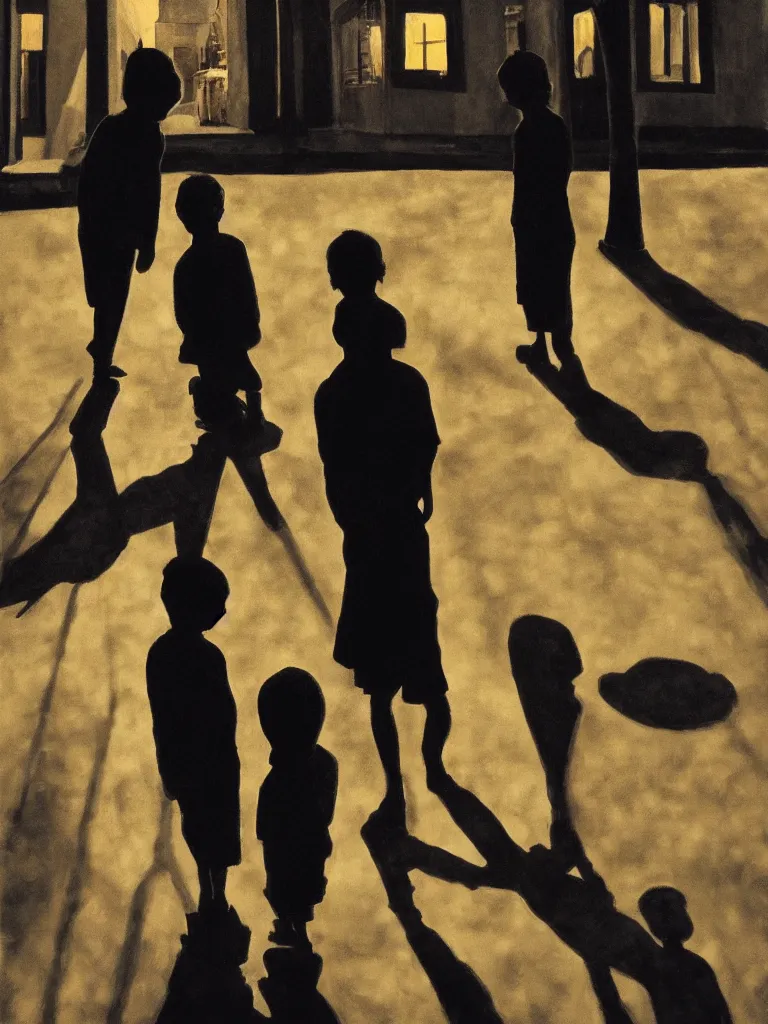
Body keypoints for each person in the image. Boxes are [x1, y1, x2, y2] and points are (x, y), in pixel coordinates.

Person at [315, 230, 452, 831]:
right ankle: (435, 766)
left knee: (377, 687)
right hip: (404, 534)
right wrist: (420, 491)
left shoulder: (332, 395)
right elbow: (426, 445)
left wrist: (352, 518)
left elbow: (335, 474)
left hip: (366, 547)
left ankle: (395, 789)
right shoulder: (410, 384)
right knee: (428, 665)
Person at [146, 556, 241, 926]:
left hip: (198, 763)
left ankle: (212, 895)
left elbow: (163, 719)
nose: (221, 612)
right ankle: (212, 896)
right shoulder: (201, 656)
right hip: (209, 763)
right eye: (216, 604)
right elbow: (171, 715)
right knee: (209, 831)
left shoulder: (163, 653)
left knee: (205, 831)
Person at [77, 46, 181, 380]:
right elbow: (150, 192)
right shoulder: (150, 137)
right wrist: (147, 242)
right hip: (116, 229)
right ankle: (102, 350)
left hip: (102, 226)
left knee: (106, 293)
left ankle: (102, 351)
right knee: (112, 293)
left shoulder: (111, 127)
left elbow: (89, 180)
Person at [173, 174, 279, 446]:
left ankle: (212, 403)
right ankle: (247, 418)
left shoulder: (185, 265)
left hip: (205, 342)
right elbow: (247, 292)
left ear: (182, 217)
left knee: (221, 380)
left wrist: (196, 336)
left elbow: (183, 313)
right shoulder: (233, 248)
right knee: (249, 381)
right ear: (220, 210)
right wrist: (249, 325)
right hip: (233, 336)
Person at [497, 51, 577, 369]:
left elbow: (524, 182)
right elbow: (563, 171)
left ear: (518, 92)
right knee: (556, 283)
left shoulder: (525, 133)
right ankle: (560, 343)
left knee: (534, 285)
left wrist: (520, 217)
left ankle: (544, 344)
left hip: (534, 222)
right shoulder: (556, 126)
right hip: (557, 220)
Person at [256, 668, 338, 950]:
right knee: (295, 893)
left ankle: (296, 930)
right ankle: (296, 931)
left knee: (292, 892)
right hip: (304, 854)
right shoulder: (324, 765)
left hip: (298, 856)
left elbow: (267, 834)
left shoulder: (277, 783)